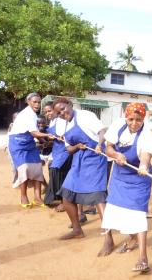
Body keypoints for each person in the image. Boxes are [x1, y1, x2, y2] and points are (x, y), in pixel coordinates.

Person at [98, 102, 152, 273]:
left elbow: (146, 155)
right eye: (131, 119)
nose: (134, 123)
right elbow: (108, 148)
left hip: (139, 177)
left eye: (138, 120)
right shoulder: (117, 126)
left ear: (143, 119)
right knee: (116, 209)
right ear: (126, 117)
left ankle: (143, 257)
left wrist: (144, 166)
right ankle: (131, 239)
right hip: (120, 176)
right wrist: (116, 155)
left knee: (137, 213)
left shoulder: (147, 135)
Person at [52, 97, 108, 240]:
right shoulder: (63, 126)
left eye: (63, 109)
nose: (62, 114)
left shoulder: (84, 116)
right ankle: (77, 230)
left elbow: (102, 131)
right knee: (66, 195)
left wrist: (99, 144)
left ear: (69, 105)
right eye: (59, 113)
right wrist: (77, 146)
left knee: (98, 196)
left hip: (96, 157)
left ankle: (109, 238)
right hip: (79, 160)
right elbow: (69, 149)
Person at [8, 93, 54, 208]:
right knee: (24, 169)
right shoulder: (27, 114)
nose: (37, 104)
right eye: (35, 102)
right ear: (28, 102)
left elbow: (34, 133)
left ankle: (37, 198)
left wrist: (44, 141)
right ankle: (23, 197)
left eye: (39, 102)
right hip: (18, 144)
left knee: (37, 167)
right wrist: (48, 135)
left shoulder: (33, 114)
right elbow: (34, 133)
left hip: (29, 143)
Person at [43, 102, 72, 212]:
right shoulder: (52, 122)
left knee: (57, 172)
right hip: (56, 151)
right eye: (45, 112)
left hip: (65, 150)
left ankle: (64, 201)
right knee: (52, 170)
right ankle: (55, 197)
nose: (47, 113)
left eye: (49, 111)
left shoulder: (62, 121)